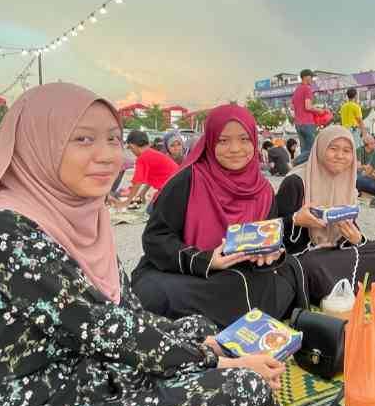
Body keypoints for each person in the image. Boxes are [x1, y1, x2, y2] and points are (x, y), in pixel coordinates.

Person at [0, 84, 285, 406]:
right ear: (38, 142)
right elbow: (106, 325)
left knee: (196, 325)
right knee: (241, 390)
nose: (109, 156)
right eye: (83, 139)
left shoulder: (85, 215)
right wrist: (213, 360)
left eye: (113, 140)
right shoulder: (1, 227)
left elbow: (128, 314)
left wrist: (204, 343)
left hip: (74, 377)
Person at [131, 105, 310, 329]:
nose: (235, 149)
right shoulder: (188, 180)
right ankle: (233, 322)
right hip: (187, 273)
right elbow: (155, 239)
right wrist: (205, 260)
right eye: (223, 141)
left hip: (236, 273)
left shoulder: (263, 191)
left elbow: (264, 238)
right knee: (153, 293)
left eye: (244, 139)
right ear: (209, 142)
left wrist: (268, 254)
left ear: (254, 141)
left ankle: (213, 323)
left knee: (285, 271)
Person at [275, 125, 375, 302]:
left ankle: (332, 288)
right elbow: (274, 233)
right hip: (305, 258)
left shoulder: (347, 183)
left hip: (334, 255)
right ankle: (338, 286)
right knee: (313, 266)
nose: (340, 156)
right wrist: (296, 221)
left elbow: (348, 231)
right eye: (333, 149)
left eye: (347, 151)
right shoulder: (296, 182)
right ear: (320, 148)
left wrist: (357, 239)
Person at [119, 130, 180, 210]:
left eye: (130, 148)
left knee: (152, 211)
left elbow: (137, 183)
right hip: (178, 188)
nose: (132, 151)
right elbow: (154, 177)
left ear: (132, 146)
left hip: (172, 191)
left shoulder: (142, 158)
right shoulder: (151, 153)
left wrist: (127, 202)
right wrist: (143, 193)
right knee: (151, 209)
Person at [291, 69, 321, 164]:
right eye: (311, 77)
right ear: (306, 77)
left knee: (304, 150)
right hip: (307, 123)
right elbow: (308, 106)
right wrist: (319, 110)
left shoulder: (297, 90)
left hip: (298, 123)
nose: (312, 79)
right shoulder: (307, 88)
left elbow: (292, 107)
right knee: (313, 149)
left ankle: (302, 171)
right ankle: (295, 162)